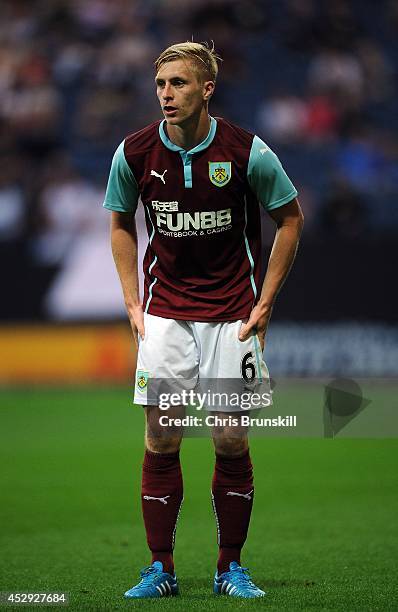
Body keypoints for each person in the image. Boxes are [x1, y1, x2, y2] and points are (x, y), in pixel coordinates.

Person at [103, 41, 304, 599]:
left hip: (232, 317)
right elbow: (120, 222)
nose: (167, 94)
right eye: (161, 84)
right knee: (162, 436)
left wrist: (265, 301)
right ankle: (160, 569)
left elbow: (290, 218)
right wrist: (130, 300)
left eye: (180, 84)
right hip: (166, 316)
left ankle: (229, 568)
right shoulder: (135, 152)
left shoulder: (246, 152)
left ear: (207, 89)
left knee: (231, 439)